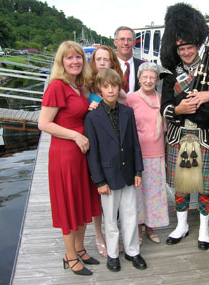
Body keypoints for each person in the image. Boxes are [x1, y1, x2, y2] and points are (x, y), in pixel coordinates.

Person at [160, 3, 209, 250]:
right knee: (182, 185)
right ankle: (182, 225)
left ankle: (205, 228)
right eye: (182, 48)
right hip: (179, 135)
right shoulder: (170, 75)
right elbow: (165, 107)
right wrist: (178, 110)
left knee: (205, 186)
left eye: (190, 47)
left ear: (198, 45)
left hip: (204, 135)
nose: (186, 52)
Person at [38, 41, 101, 276]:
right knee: (68, 203)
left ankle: (80, 249)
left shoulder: (78, 85)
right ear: (61, 62)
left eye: (78, 57)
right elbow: (44, 123)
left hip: (82, 153)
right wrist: (75, 135)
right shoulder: (57, 86)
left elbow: (77, 113)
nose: (75, 61)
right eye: (69, 58)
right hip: (65, 154)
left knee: (83, 200)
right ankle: (70, 257)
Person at [84, 68, 147, 272]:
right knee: (110, 218)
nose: (111, 90)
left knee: (130, 214)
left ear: (119, 87)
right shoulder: (92, 118)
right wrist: (99, 181)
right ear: (99, 90)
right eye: (106, 86)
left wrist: (138, 171)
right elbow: (92, 153)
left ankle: (132, 251)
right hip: (108, 176)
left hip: (128, 172)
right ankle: (112, 254)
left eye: (114, 86)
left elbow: (135, 143)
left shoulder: (127, 112)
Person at [125, 62, 169, 245]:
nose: (149, 81)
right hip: (137, 153)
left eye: (153, 77)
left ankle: (150, 228)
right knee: (137, 194)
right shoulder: (131, 99)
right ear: (139, 79)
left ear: (157, 80)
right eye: (145, 77)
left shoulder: (162, 99)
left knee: (153, 194)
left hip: (157, 152)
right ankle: (138, 230)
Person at [87, 45, 125, 257]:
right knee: (97, 193)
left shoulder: (114, 85)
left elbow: (125, 101)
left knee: (114, 195)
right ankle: (99, 235)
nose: (102, 62)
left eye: (106, 59)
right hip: (92, 144)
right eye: (98, 59)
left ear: (112, 62)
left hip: (113, 148)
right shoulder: (87, 86)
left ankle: (114, 234)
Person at [114, 26, 145, 94]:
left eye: (129, 39)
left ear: (134, 43)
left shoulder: (144, 66)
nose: (126, 43)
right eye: (122, 39)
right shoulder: (109, 66)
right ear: (115, 42)